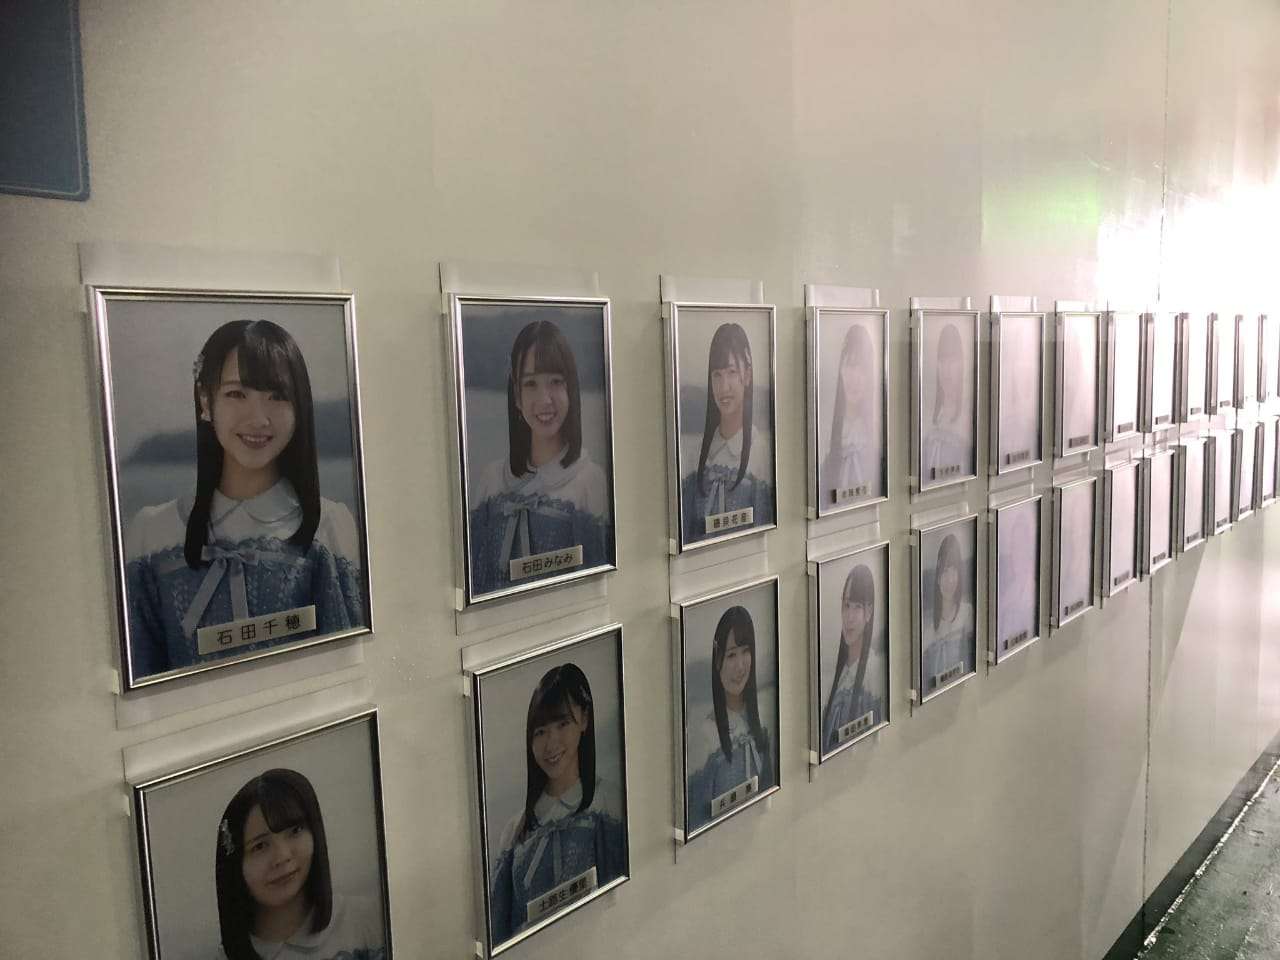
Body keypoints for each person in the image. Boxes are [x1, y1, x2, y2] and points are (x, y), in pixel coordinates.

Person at [124, 320, 365, 680]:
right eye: (237, 394)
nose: (258, 419)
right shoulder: (151, 531)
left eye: (277, 396)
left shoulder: (330, 525)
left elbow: (347, 672)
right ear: (205, 400)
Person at [468, 320, 611, 596]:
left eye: (555, 382)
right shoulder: (491, 479)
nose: (545, 399)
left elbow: (596, 587)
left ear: (571, 390)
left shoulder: (590, 481)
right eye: (531, 383)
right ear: (517, 396)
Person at [489, 663, 626, 945]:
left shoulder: (608, 804)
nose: (551, 743)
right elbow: (499, 932)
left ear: (584, 719)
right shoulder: (515, 831)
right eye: (540, 731)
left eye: (562, 724)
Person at [214, 769, 384, 960]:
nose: (282, 856)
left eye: (295, 831)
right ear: (235, 865)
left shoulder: (368, 918)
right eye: (260, 846)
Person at [680, 322, 774, 544]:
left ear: (747, 375)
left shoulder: (761, 452)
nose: (724, 387)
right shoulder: (693, 454)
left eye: (732, 372)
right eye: (717, 375)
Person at [687, 606, 774, 831]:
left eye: (746, 651)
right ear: (717, 662)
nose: (740, 666)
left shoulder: (764, 715)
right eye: (731, 655)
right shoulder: (705, 735)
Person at [820, 563, 884, 752]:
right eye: (846, 605)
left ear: (869, 612)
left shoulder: (875, 670)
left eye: (857, 607)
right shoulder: (833, 677)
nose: (849, 617)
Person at [821, 322, 882, 502]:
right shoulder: (825, 434)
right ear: (841, 370)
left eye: (862, 368)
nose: (855, 377)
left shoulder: (877, 433)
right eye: (850, 365)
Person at [921, 533, 975, 693]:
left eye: (954, 571)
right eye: (945, 571)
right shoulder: (926, 624)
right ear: (937, 577)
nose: (950, 580)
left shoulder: (966, 613)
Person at [922, 322, 971, 483]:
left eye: (952, 360)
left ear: (962, 364)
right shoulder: (929, 416)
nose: (946, 370)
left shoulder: (968, 417)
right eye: (942, 361)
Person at [996, 507, 1038, 654]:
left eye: (1021, 546)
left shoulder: (1034, 590)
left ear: (1029, 550)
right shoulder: (1010, 590)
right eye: (1014, 546)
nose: (1016, 554)